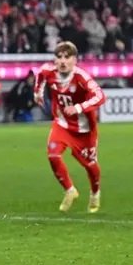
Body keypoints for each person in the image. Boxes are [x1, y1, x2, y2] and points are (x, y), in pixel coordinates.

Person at [33, 41, 105, 213]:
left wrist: (78, 108)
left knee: (90, 165)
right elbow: (40, 76)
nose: (63, 61)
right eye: (59, 57)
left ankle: (95, 193)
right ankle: (70, 190)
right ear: (55, 60)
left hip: (84, 130)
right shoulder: (48, 72)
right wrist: (38, 93)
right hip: (62, 124)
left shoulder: (81, 77)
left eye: (67, 57)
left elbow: (100, 96)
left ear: (75, 60)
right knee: (53, 155)